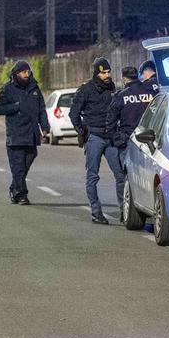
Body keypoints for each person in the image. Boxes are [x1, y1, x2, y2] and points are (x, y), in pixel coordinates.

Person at [70, 57, 126, 225]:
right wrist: (82, 131)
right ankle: (96, 212)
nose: (107, 75)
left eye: (108, 72)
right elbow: (74, 114)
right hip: (93, 137)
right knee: (93, 177)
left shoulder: (112, 88)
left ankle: (125, 211)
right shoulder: (86, 89)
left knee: (121, 175)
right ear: (96, 73)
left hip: (110, 137)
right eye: (103, 72)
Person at [0, 60, 50, 205]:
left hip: (31, 134)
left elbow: (42, 110)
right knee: (18, 166)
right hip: (16, 135)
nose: (27, 74)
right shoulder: (8, 89)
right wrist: (16, 107)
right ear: (17, 73)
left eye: (28, 71)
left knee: (28, 160)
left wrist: (45, 127)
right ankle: (22, 194)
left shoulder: (34, 89)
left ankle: (14, 188)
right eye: (24, 72)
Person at [107, 66, 154, 151]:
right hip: (149, 139)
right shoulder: (151, 92)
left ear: (124, 79)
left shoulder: (121, 96)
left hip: (127, 140)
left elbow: (110, 121)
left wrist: (116, 139)